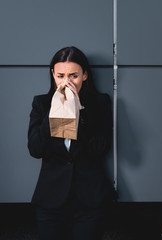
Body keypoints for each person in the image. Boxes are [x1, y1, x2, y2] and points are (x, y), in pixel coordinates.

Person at [27, 46, 115, 240]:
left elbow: (100, 148)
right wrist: (54, 112)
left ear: (84, 75)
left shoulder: (100, 103)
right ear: (53, 75)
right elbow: (35, 149)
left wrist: (79, 111)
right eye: (60, 76)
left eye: (73, 76)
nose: (66, 82)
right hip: (50, 200)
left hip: (89, 201)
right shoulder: (41, 104)